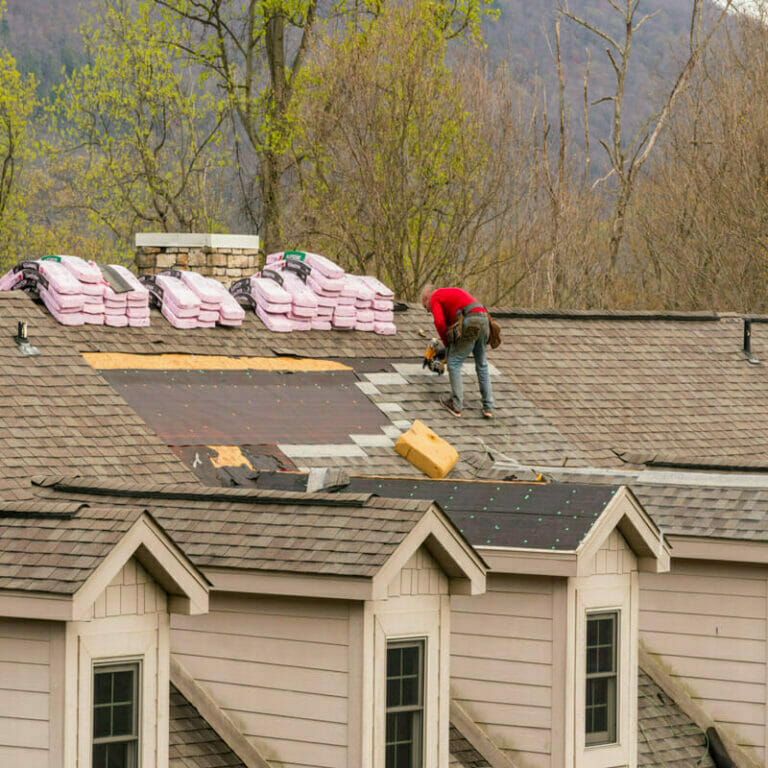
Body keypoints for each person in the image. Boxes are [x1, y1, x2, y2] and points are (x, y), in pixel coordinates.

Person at [420, 284, 494, 418]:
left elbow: (440, 323)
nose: (427, 311)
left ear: (426, 298)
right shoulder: (448, 295)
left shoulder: (435, 297)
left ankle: (456, 405)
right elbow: (451, 325)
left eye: (425, 307)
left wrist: (446, 344)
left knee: (454, 363)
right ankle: (488, 407)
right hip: (484, 318)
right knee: (482, 364)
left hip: (471, 320)